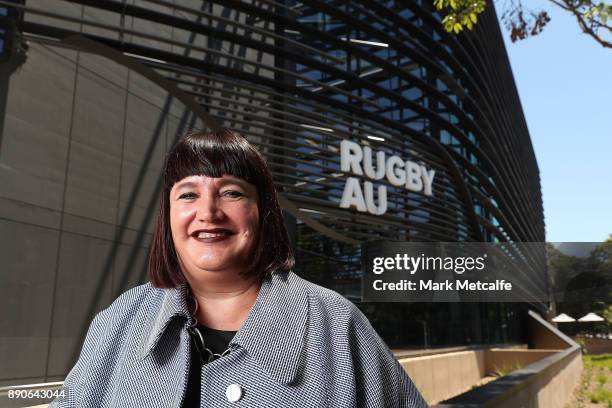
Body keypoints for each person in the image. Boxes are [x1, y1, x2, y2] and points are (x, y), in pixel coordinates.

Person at [51, 129, 427, 407]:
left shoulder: (338, 324)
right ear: (168, 217)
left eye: (232, 192)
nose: (208, 212)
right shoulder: (120, 319)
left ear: (262, 213)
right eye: (188, 194)